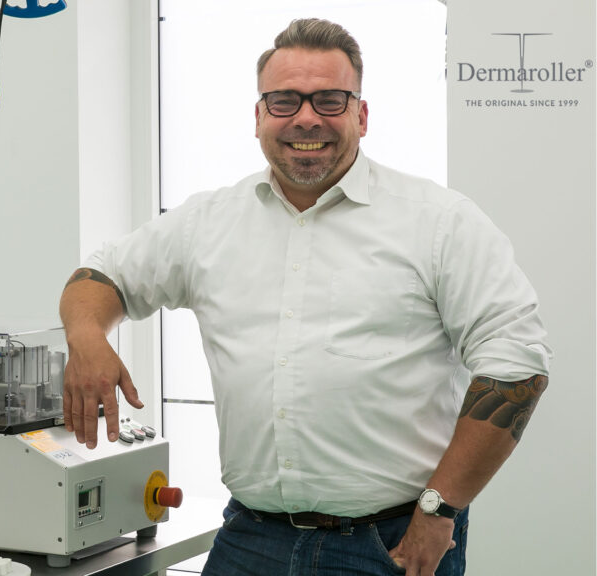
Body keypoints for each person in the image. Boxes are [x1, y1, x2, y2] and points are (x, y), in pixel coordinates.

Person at [58, 17, 550, 576]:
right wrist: (87, 336)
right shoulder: (208, 222)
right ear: (260, 116)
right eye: (285, 101)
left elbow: (517, 368)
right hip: (249, 538)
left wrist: (440, 510)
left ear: (361, 116)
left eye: (330, 100)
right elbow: (102, 275)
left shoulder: (439, 224)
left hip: (389, 545)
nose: (307, 118)